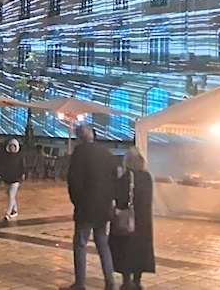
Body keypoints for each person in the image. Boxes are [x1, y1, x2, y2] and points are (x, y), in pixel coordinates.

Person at [63, 124, 117, 290]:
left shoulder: (79, 153)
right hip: (103, 207)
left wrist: (77, 202)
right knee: (103, 244)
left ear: (80, 138)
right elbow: (114, 179)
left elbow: (74, 181)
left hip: (86, 208)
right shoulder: (107, 153)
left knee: (80, 244)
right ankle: (110, 283)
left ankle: (80, 283)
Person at [109, 148, 156, 290]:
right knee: (141, 250)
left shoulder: (126, 177)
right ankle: (137, 280)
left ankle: (126, 281)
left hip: (128, 221)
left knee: (125, 249)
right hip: (144, 221)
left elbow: (119, 198)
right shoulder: (147, 177)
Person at [0, 138, 25, 220]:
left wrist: (22, 175)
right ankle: (15, 210)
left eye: (14, 147)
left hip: (16, 179)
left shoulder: (20, 156)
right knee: (10, 195)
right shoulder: (5, 156)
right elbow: (3, 167)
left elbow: (22, 167)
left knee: (11, 195)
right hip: (7, 179)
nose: (12, 148)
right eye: (11, 146)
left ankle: (8, 213)